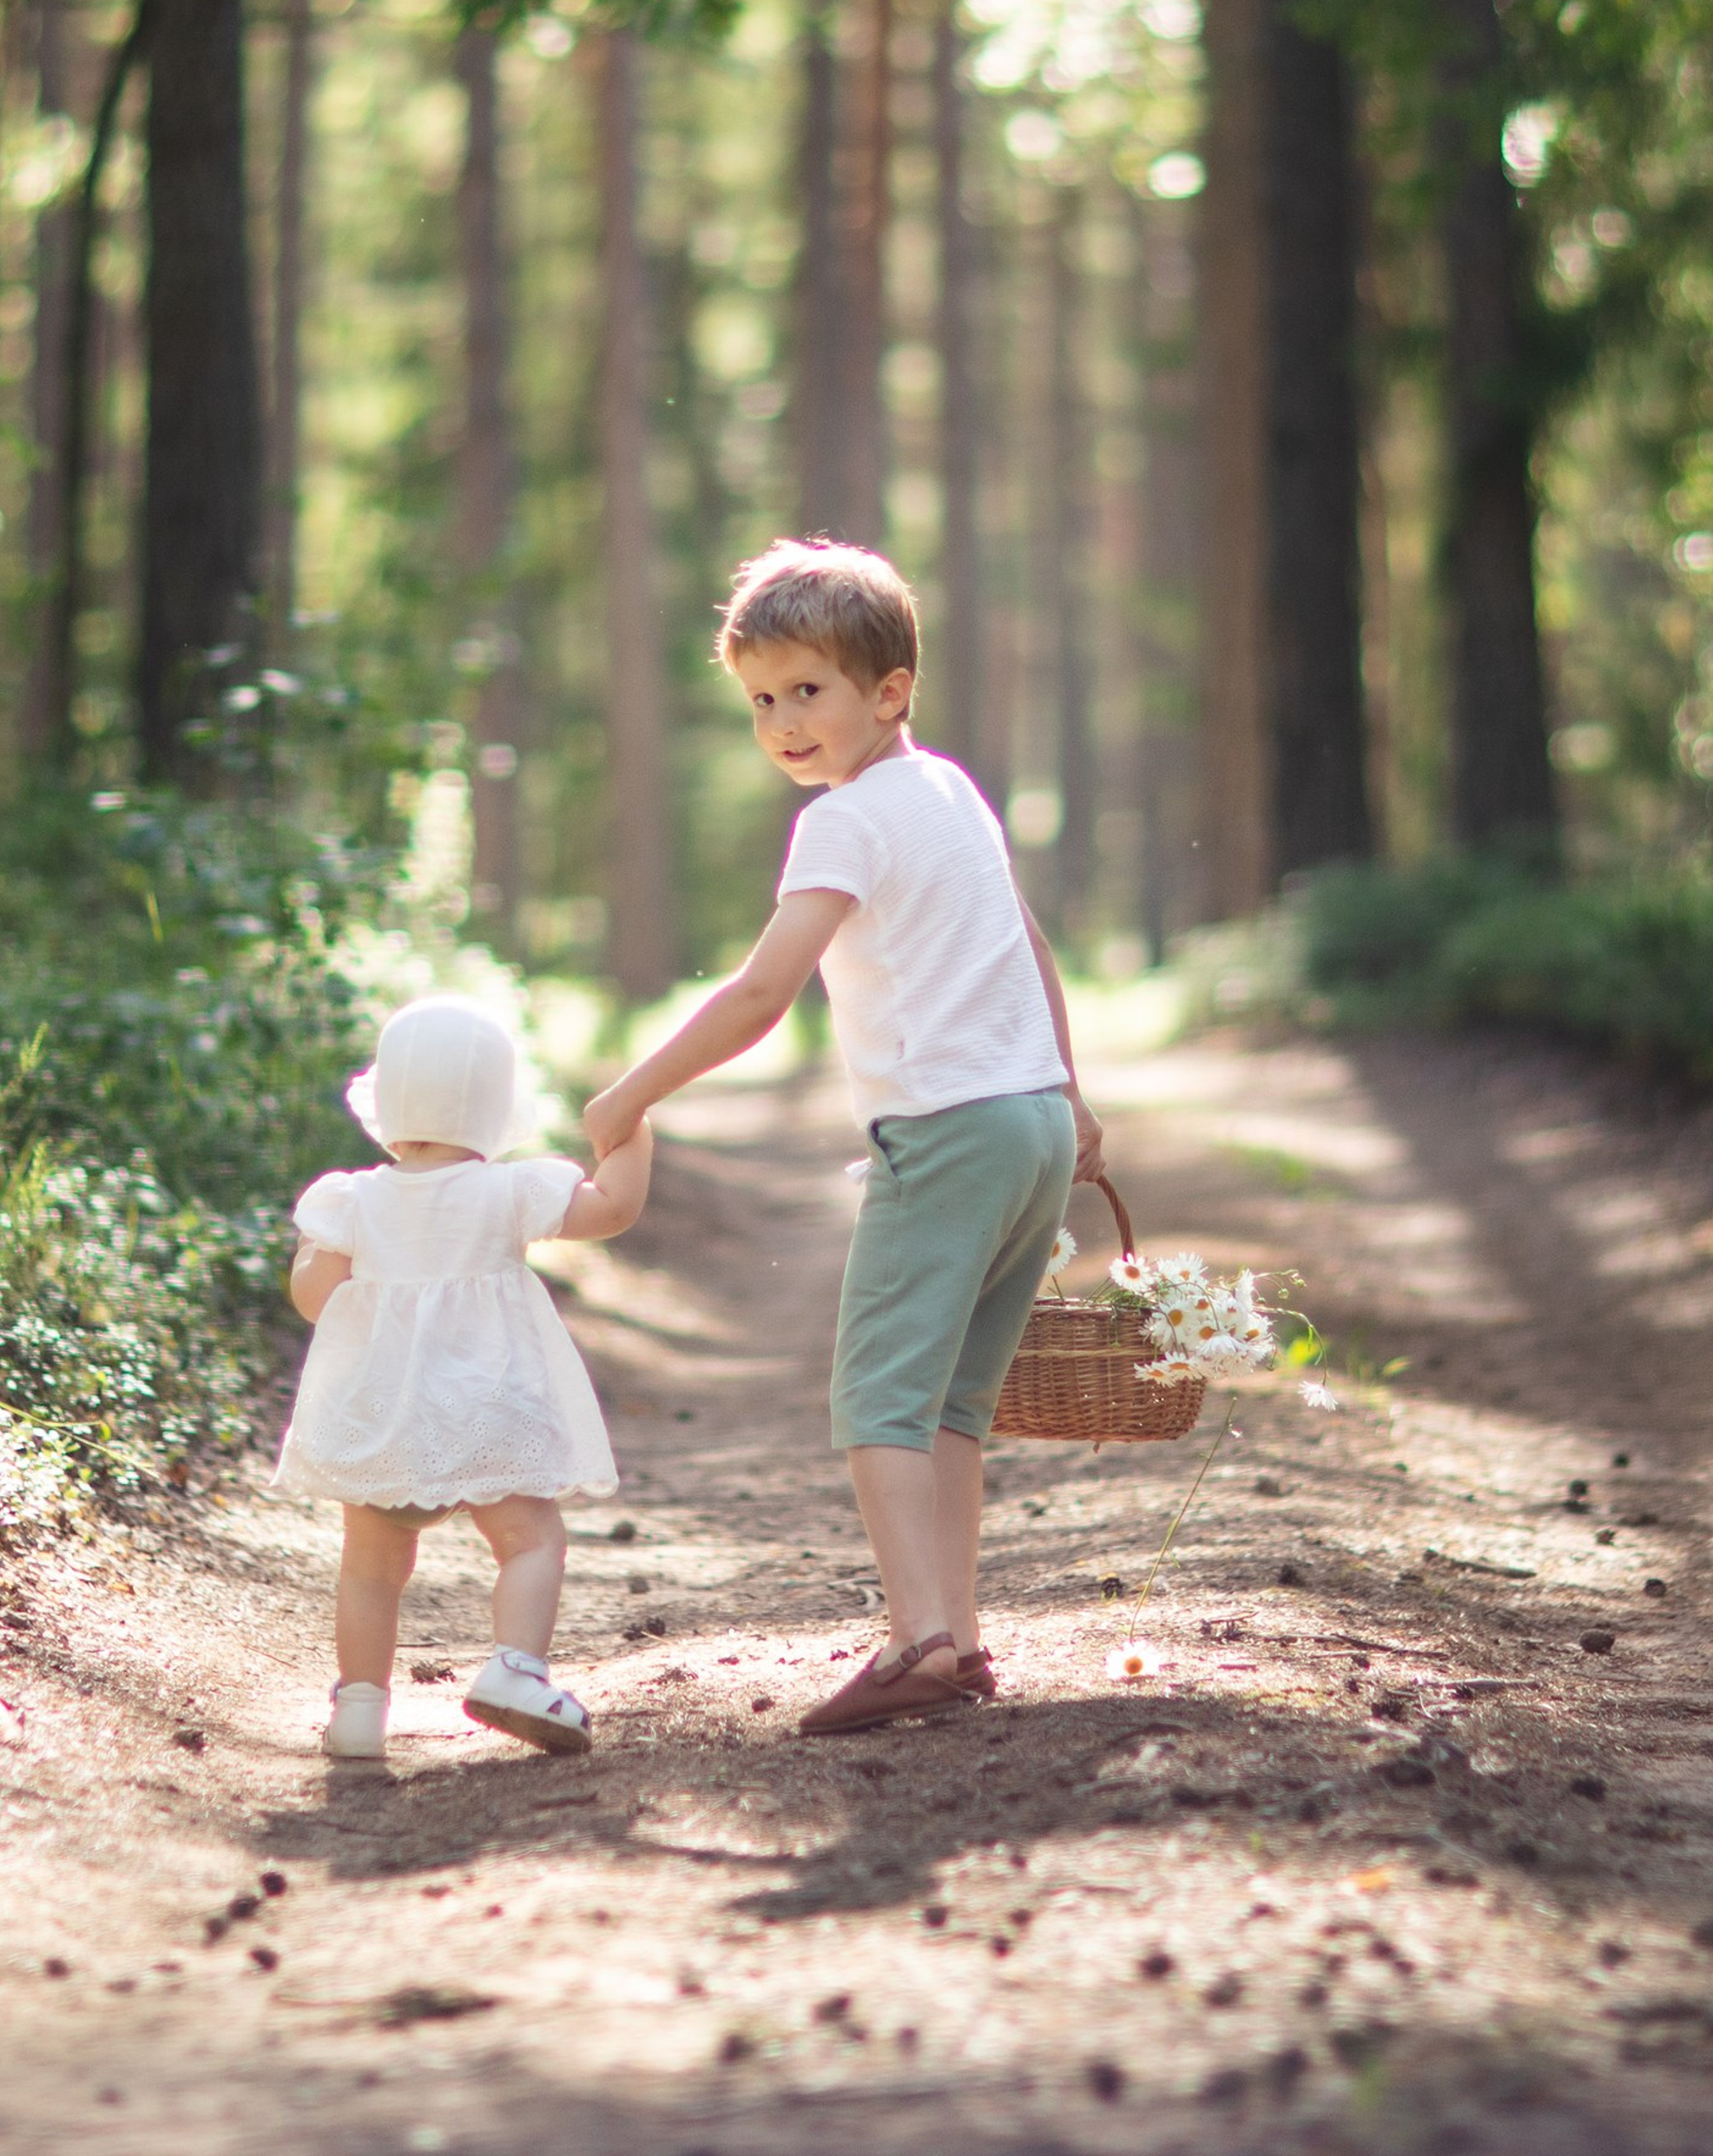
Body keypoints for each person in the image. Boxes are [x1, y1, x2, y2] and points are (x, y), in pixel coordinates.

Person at [585, 538, 1104, 1737]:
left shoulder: (845, 821)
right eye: (760, 700)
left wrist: (629, 1095)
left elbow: (763, 993)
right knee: (952, 1405)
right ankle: (957, 1637)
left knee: (878, 1396)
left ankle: (917, 1639)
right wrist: (1071, 1096)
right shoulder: (952, 792)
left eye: (806, 691)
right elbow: (1027, 941)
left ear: (890, 691)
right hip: (1028, 1123)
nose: (781, 723)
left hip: (947, 1132)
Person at [280, 992, 650, 1762]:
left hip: (384, 1417)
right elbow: (613, 1209)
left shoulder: (352, 1199)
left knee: (371, 1568)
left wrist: (318, 1252)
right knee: (529, 1541)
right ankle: (515, 1671)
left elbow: (316, 1302)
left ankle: (358, 1709)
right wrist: (633, 1127)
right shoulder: (510, 1190)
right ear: (496, 1108)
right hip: (489, 1410)